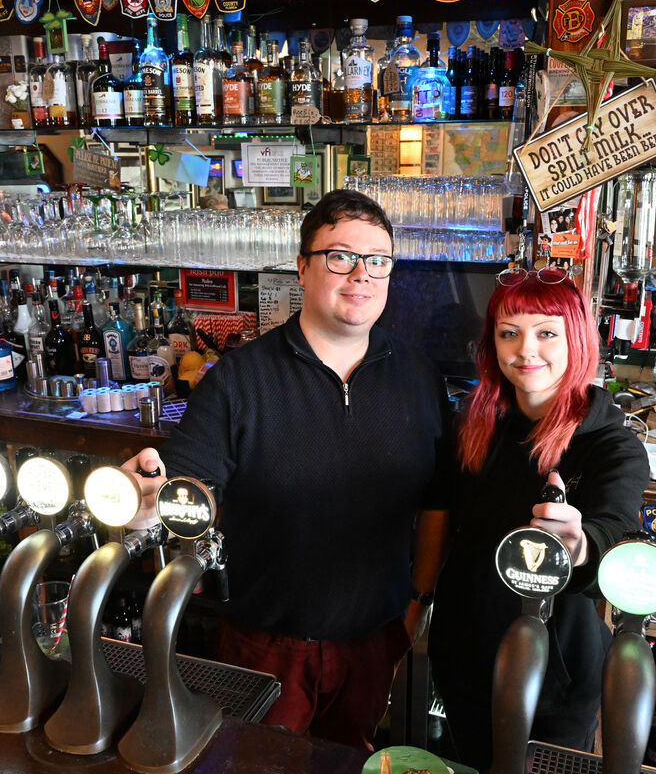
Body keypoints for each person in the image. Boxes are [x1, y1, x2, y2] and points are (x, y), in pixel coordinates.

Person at [124, 189, 448, 749]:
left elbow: (437, 501)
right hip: (263, 643)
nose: (361, 275)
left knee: (350, 760)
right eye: (340, 256)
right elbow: (187, 485)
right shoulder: (238, 380)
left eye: (378, 260)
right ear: (302, 267)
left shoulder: (419, 379)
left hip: (373, 640)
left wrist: (416, 601)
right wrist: (147, 496)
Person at [419, 268, 649, 770]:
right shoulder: (476, 425)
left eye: (547, 333)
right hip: (464, 653)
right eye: (509, 333)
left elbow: (616, 530)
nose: (526, 350)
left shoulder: (611, 446)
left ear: (577, 341)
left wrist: (579, 545)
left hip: (555, 672)